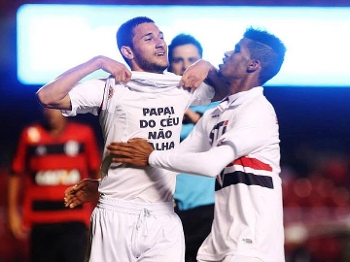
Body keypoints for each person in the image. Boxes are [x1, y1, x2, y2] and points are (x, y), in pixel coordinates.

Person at [36, 16, 226, 262]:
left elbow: (228, 91)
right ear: (127, 50)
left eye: (161, 37)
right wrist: (98, 61)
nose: (160, 43)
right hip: (117, 213)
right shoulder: (110, 88)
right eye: (149, 38)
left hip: (165, 216)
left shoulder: (179, 87)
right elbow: (48, 96)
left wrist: (207, 65)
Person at [105, 27, 287, 262]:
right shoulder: (217, 114)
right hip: (219, 246)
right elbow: (173, 159)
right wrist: (106, 186)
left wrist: (150, 155)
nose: (227, 52)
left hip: (252, 246)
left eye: (237, 50)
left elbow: (212, 164)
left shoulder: (257, 110)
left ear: (252, 65)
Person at [7, 108, 101, 262]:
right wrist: (12, 213)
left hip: (75, 219)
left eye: (55, 108)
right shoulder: (30, 134)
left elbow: (96, 173)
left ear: (65, 109)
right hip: (40, 219)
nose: (51, 112)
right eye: (47, 108)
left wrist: (99, 209)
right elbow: (15, 172)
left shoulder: (84, 134)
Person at [168, 33, 218, 262]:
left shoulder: (218, 102)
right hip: (167, 209)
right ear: (169, 63)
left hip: (207, 209)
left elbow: (222, 142)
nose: (185, 66)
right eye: (178, 59)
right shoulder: (158, 104)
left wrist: (191, 116)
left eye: (192, 59)